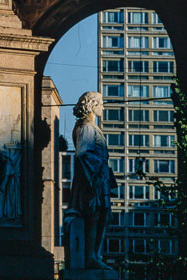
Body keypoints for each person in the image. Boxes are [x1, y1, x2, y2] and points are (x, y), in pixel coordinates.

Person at [68, 91, 116, 270]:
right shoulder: (86, 127)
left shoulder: (91, 127)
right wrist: (98, 170)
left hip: (98, 179)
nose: (103, 107)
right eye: (101, 104)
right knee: (93, 216)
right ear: (92, 105)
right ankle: (90, 257)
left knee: (101, 216)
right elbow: (83, 153)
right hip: (92, 181)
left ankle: (94, 255)